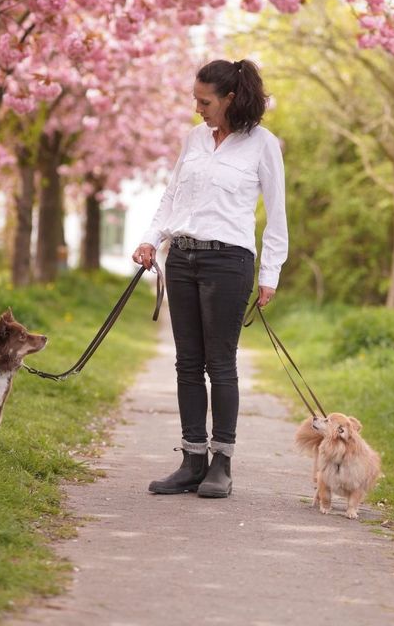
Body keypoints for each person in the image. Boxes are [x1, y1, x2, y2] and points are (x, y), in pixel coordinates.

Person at [132, 58, 288, 498]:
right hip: (182, 258)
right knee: (186, 364)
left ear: (230, 99)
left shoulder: (262, 144)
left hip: (229, 262)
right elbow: (172, 196)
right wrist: (150, 239)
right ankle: (191, 461)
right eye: (195, 99)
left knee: (219, 365)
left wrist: (270, 273)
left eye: (205, 101)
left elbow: (276, 216)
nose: (197, 108)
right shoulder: (195, 139)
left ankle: (222, 464)